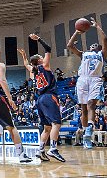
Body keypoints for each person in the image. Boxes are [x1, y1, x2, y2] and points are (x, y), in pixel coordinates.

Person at [67, 18, 107, 149]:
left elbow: (105, 39)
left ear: (99, 48)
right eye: (91, 45)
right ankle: (86, 135)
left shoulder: (102, 54)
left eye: (95, 45)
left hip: (95, 79)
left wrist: (97, 27)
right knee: (83, 109)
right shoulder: (84, 54)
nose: (93, 45)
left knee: (91, 104)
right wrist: (76, 32)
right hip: (82, 80)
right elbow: (69, 46)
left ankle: (90, 127)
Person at [25, 34, 65, 162]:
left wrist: (24, 57)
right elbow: (48, 48)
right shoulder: (44, 67)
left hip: (40, 99)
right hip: (49, 96)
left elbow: (26, 64)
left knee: (47, 127)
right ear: (40, 61)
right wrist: (39, 40)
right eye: (42, 57)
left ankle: (40, 150)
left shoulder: (33, 71)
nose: (44, 58)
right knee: (56, 123)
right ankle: (53, 148)